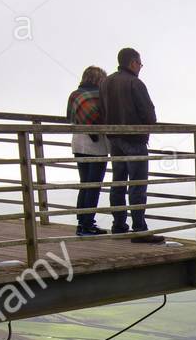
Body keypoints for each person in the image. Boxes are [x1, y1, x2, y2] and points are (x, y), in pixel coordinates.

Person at [99, 47, 162, 243]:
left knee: (118, 182)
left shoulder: (106, 82)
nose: (141, 67)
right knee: (137, 184)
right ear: (133, 63)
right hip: (134, 139)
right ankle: (139, 229)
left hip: (113, 138)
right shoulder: (135, 83)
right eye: (140, 63)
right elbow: (149, 114)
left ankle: (118, 226)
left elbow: (102, 109)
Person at [66, 66, 108, 236]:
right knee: (94, 186)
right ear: (98, 79)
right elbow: (101, 119)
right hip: (95, 146)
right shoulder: (99, 96)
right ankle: (88, 224)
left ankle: (81, 223)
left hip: (78, 142)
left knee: (85, 184)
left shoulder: (75, 95)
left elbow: (69, 117)